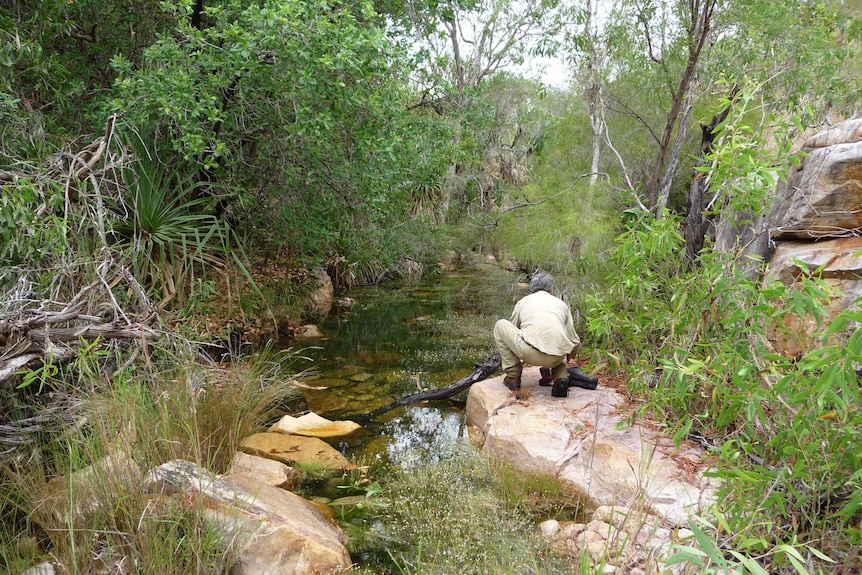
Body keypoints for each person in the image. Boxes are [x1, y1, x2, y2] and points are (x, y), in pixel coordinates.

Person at [493, 271, 580, 398]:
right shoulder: (561, 305)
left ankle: (513, 377)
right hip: (556, 357)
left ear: (532, 289)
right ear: (551, 289)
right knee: (558, 359)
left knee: (500, 325)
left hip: (530, 354)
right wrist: (571, 353)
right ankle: (561, 379)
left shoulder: (523, 302)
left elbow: (513, 329)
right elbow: (573, 338)